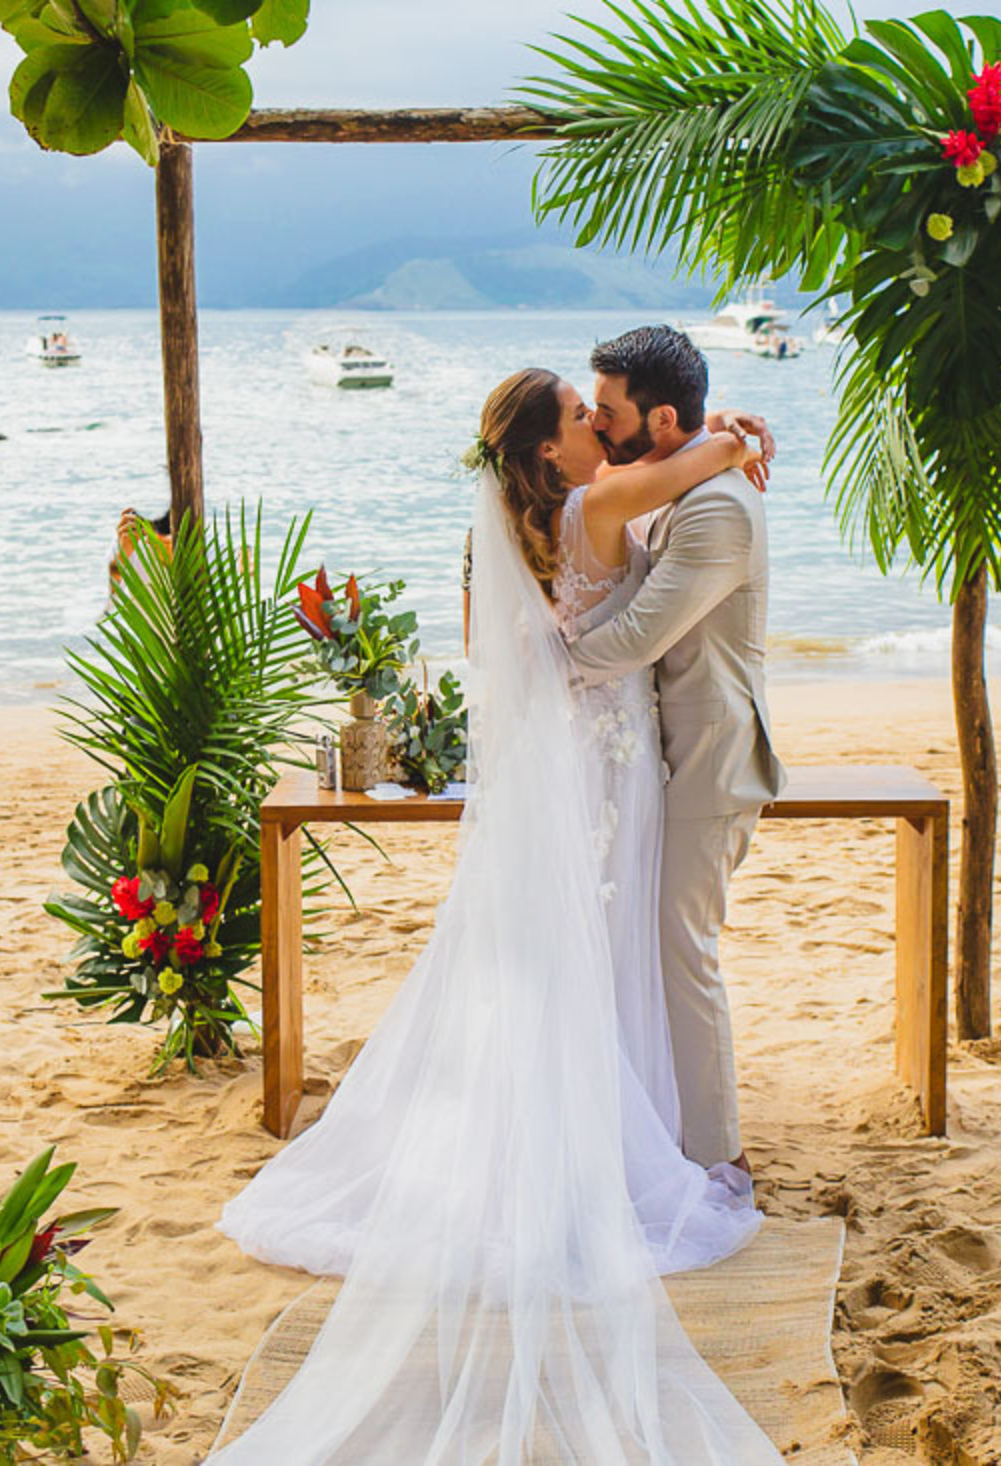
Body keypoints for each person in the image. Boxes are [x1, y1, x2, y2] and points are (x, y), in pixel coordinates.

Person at [207, 369, 782, 1462]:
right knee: (598, 944)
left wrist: (710, 441)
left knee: (552, 949)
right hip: (611, 761)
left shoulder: (517, 535)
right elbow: (699, 461)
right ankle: (602, 1146)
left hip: (561, 760)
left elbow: (505, 648)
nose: (593, 424)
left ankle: (572, 1122)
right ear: (551, 457)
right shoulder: (593, 506)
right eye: (577, 416)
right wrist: (735, 432)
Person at [567, 324, 788, 1177]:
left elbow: (637, 638)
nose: (595, 419)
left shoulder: (722, 508)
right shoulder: (684, 475)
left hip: (712, 760)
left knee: (682, 954)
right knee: (656, 951)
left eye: (609, 410)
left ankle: (718, 1161)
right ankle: (667, 1138)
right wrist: (726, 434)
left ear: (661, 421)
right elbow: (598, 477)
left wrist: (538, 669)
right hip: (667, 761)